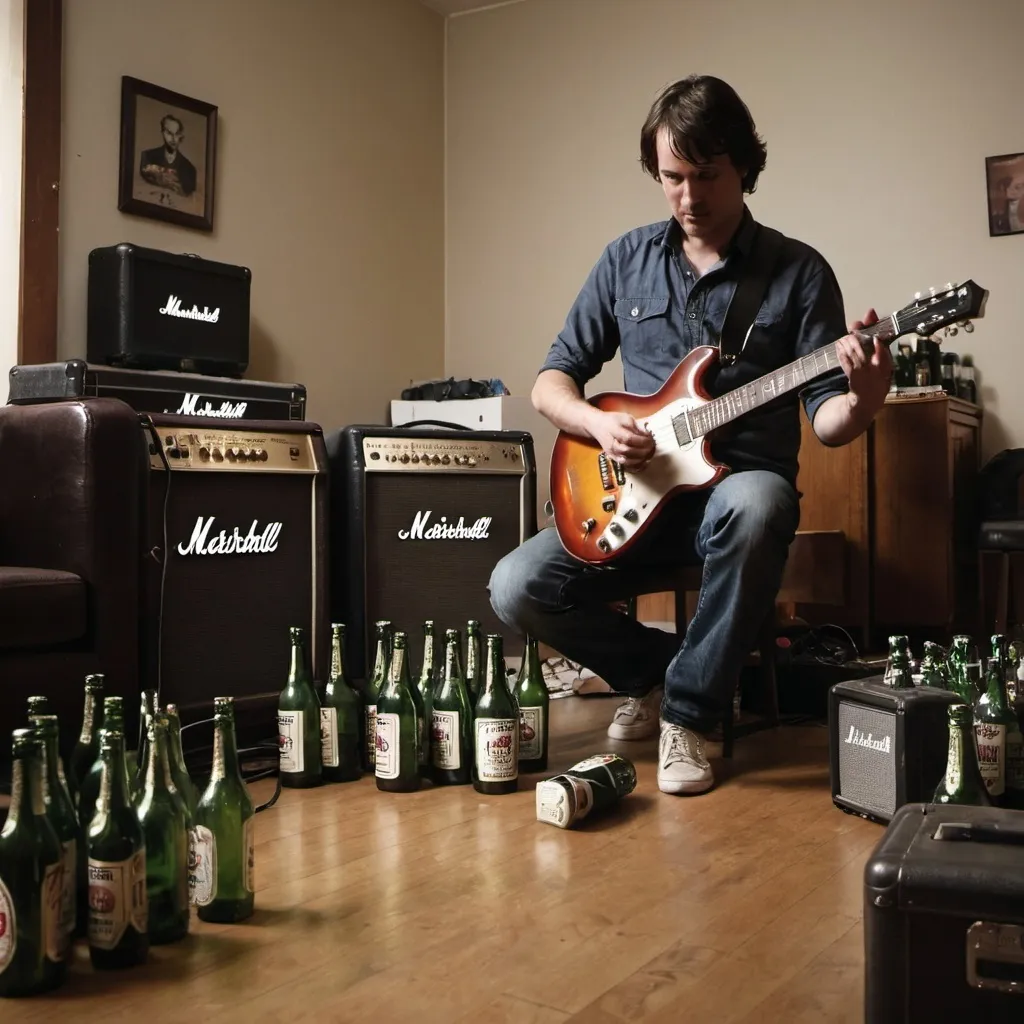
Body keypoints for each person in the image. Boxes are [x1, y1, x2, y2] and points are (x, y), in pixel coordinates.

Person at [487, 74, 893, 796]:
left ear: (744, 168)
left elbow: (829, 423)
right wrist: (599, 426)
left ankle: (689, 714)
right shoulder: (625, 260)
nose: (688, 197)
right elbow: (551, 382)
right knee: (515, 586)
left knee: (758, 503)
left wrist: (865, 396)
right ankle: (655, 671)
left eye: (706, 176)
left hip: (735, 501)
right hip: (636, 500)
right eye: (671, 177)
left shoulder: (798, 273)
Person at [140, 113, 198, 198]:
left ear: (181, 136)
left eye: (177, 133)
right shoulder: (148, 157)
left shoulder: (190, 170)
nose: (173, 138)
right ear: (163, 133)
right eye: (169, 133)